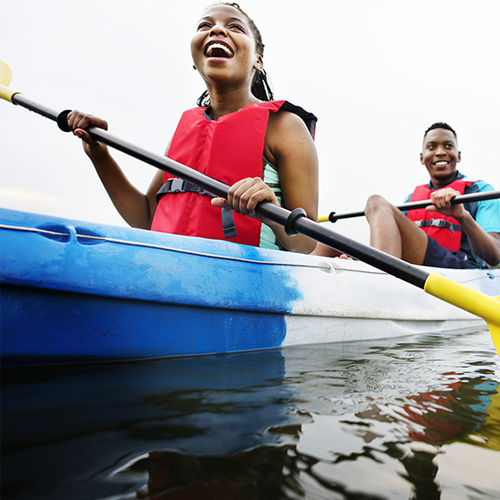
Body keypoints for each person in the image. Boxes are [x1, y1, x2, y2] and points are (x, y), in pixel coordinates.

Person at [67, 2, 318, 254]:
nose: (217, 30)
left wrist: (272, 213)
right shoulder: (186, 129)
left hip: (247, 282)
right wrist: (100, 156)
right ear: (195, 61)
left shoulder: (286, 126)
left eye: (235, 27)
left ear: (258, 60)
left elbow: (307, 243)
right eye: (205, 25)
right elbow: (146, 218)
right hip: (169, 276)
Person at [315, 122, 500, 268]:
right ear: (422, 157)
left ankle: (375, 279)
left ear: (458, 155)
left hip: (462, 270)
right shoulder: (411, 199)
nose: (440, 152)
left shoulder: (480, 191)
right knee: (327, 243)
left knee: (376, 202)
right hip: (419, 267)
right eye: (432, 147)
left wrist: (462, 216)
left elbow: (495, 255)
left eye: (448, 146)